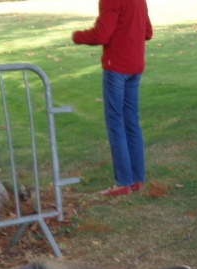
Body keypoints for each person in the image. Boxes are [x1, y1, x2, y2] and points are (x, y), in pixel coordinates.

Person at [73, 0, 153, 197]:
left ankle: (123, 182)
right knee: (131, 122)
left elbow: (101, 34)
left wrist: (77, 36)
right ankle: (136, 179)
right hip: (135, 66)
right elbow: (147, 32)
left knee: (116, 122)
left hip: (117, 66)